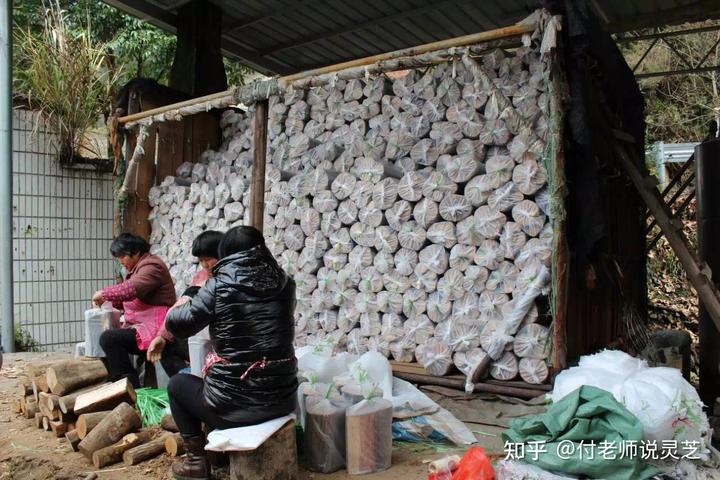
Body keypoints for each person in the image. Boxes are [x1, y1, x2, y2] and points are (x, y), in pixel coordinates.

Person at [164, 226, 298, 480]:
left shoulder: (219, 285)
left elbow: (180, 325)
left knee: (178, 384)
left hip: (235, 408)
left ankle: (195, 463)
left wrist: (180, 305)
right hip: (283, 399)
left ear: (226, 253)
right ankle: (217, 455)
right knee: (221, 380)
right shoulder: (285, 282)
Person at [92, 233, 183, 387]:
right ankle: (125, 384)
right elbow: (129, 300)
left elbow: (131, 290)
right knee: (110, 338)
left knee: (109, 338)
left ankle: (130, 388)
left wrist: (105, 294)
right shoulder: (138, 268)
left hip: (157, 327)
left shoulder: (152, 266)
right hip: (142, 326)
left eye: (122, 256)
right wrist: (111, 303)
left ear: (135, 252)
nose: (121, 262)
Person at [146, 230, 224, 364]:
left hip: (224, 342)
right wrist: (162, 336)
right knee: (166, 344)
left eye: (209, 259)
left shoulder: (229, 278)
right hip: (203, 334)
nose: (205, 265)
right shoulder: (201, 276)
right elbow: (183, 305)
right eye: (201, 260)